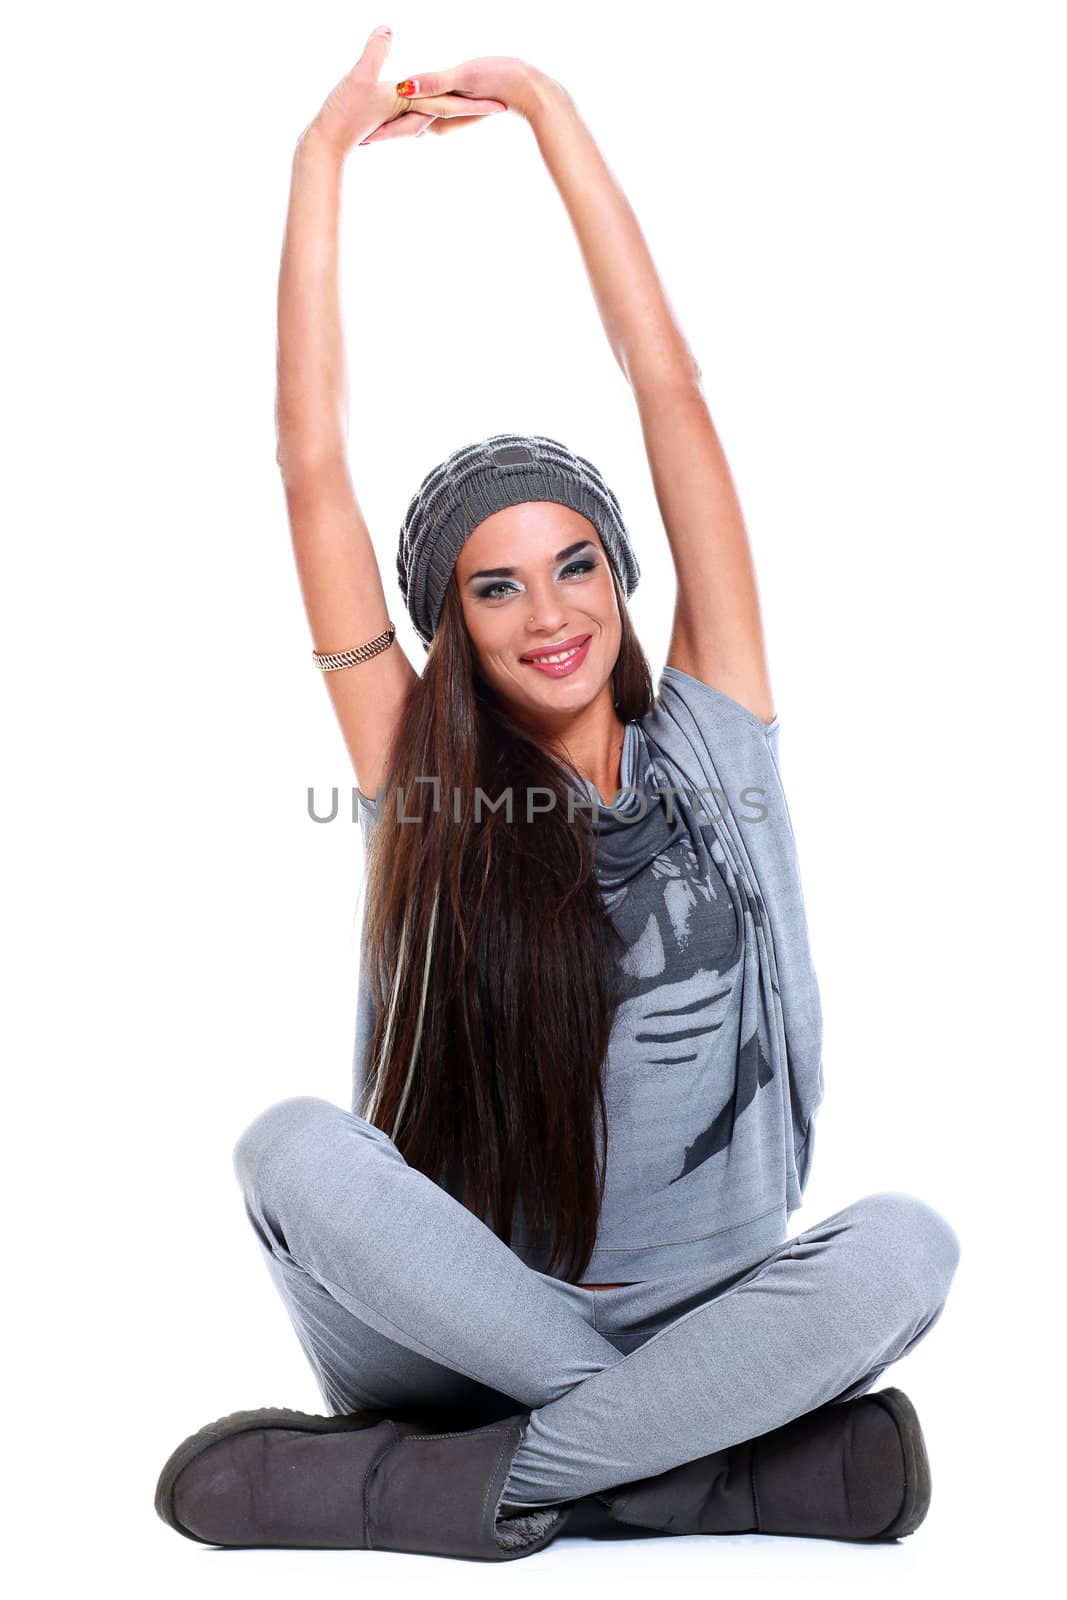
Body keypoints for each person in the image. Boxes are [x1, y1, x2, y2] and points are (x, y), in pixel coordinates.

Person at [154, 29, 962, 1564]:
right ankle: (707, 1470)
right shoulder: (426, 785)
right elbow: (308, 462)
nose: (552, 614)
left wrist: (553, 117)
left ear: (622, 567)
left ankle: (436, 1489)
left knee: (910, 1245)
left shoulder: (721, 731)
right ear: (453, 628)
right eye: (500, 587)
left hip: (729, 1304)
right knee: (287, 1150)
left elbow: (669, 382)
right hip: (478, 1327)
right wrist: (317, 161)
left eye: (577, 562)